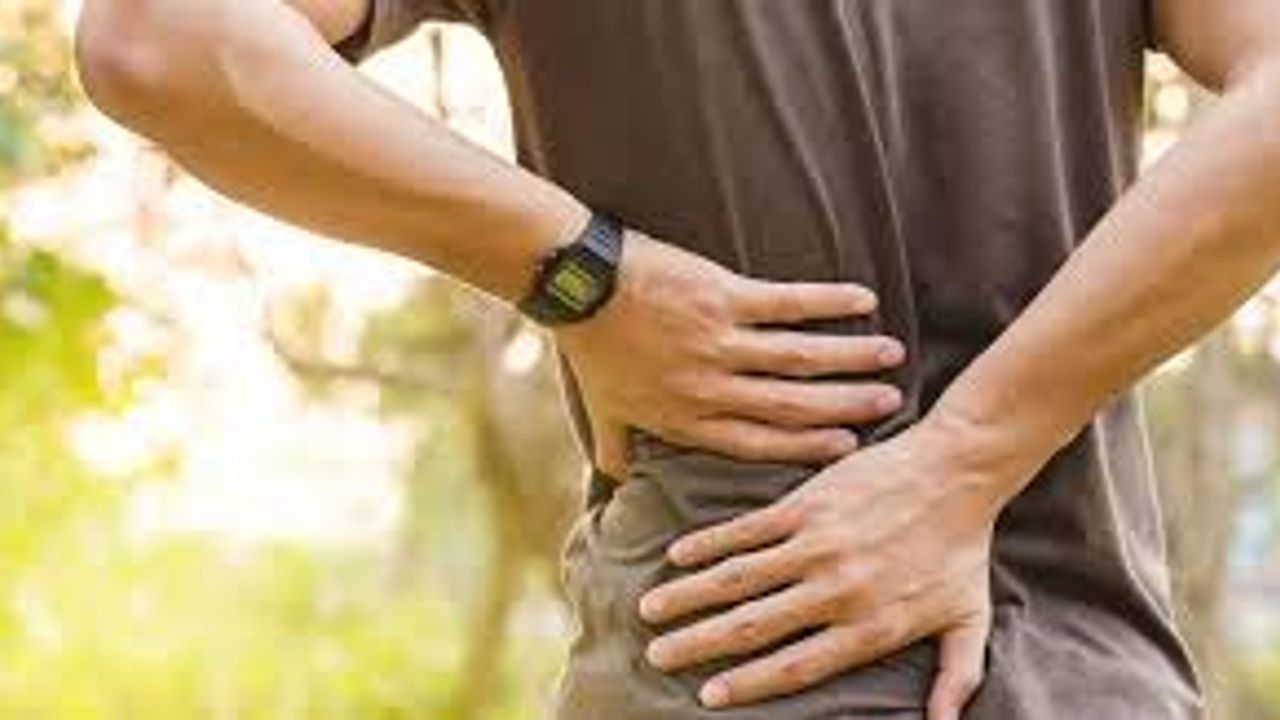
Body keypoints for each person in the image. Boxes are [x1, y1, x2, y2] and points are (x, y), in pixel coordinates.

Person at [74, 1, 1280, 718]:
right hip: (1076, 673)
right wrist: (972, 453)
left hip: (729, 654)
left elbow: (158, 37)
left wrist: (578, 272)